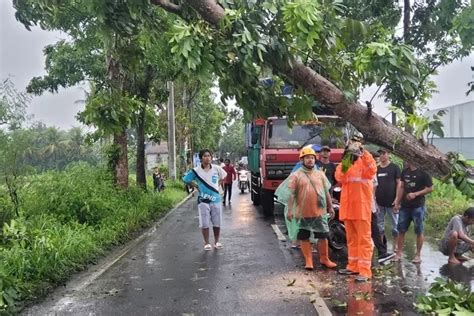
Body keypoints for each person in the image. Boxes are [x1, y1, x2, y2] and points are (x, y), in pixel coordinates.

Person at [287, 147, 337, 270]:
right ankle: (308, 260)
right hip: (302, 212)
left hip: (319, 212)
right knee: (304, 236)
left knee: (323, 235)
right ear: (302, 160)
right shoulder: (296, 175)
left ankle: (324, 258)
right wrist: (290, 210)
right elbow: (291, 195)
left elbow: (326, 193)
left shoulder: (320, 174)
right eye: (307, 158)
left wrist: (330, 207)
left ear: (315, 159)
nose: (310, 160)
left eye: (312, 158)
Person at [335, 141, 377, 282]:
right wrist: (347, 158)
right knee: (352, 240)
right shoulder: (345, 165)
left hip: (361, 209)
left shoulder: (365, 165)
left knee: (363, 240)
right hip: (348, 209)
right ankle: (353, 266)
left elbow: (372, 170)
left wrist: (363, 152)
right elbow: (339, 177)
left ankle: (365, 271)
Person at [183, 149, 227, 251]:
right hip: (203, 200)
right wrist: (196, 186)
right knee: (205, 223)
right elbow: (186, 179)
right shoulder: (196, 171)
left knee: (217, 222)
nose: (207, 158)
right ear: (201, 158)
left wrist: (218, 185)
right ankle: (207, 243)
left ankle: (217, 241)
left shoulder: (216, 169)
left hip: (215, 199)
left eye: (209, 156)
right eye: (205, 156)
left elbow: (224, 176)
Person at [393, 161, 433, 263]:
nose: (406, 160)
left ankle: (418, 255)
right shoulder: (405, 172)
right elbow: (402, 187)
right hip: (405, 206)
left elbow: (430, 188)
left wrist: (416, 194)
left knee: (419, 231)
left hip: (418, 206)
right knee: (401, 230)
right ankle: (398, 253)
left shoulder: (423, 172)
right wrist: (397, 202)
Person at [375, 148, 401, 253]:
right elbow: (374, 185)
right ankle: (381, 248)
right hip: (379, 202)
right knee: (379, 226)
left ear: (388, 154)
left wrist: (397, 199)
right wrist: (374, 200)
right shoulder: (376, 169)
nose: (382, 156)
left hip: (392, 202)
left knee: (396, 225)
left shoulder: (394, 168)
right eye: (380, 154)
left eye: (384, 153)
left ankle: (396, 248)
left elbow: (399, 184)